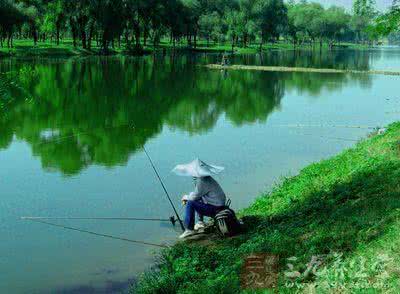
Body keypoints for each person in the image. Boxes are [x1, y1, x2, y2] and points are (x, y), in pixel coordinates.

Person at [172, 159, 226, 239]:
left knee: (191, 203)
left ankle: (189, 229)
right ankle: (200, 222)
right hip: (219, 206)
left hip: (216, 209)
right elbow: (198, 194)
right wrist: (189, 196)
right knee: (196, 199)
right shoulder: (206, 178)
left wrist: (185, 197)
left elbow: (194, 197)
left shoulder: (202, 181)